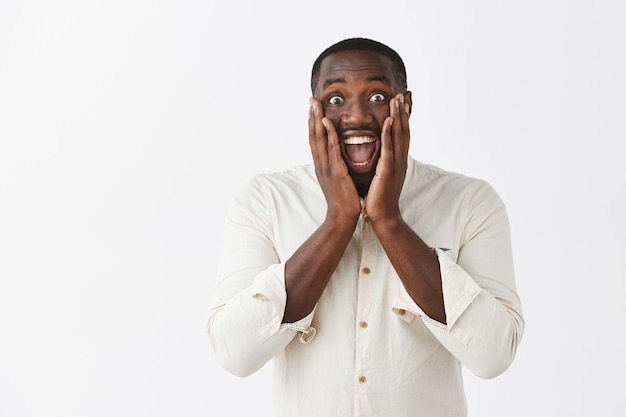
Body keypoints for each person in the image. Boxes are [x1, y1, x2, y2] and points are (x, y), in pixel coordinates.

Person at [206, 37, 524, 417]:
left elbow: (493, 356)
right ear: (315, 109)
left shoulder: (469, 201)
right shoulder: (266, 200)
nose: (356, 117)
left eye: (376, 96)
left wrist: (388, 221)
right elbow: (235, 353)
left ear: (404, 105)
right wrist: (338, 221)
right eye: (336, 99)